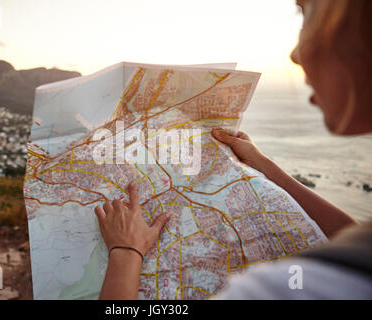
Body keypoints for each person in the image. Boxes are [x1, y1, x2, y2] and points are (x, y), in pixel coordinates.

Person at [93, 0, 372, 299]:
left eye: (306, 12)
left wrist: (125, 250)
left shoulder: (282, 290)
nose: (295, 55)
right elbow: (351, 235)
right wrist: (262, 164)